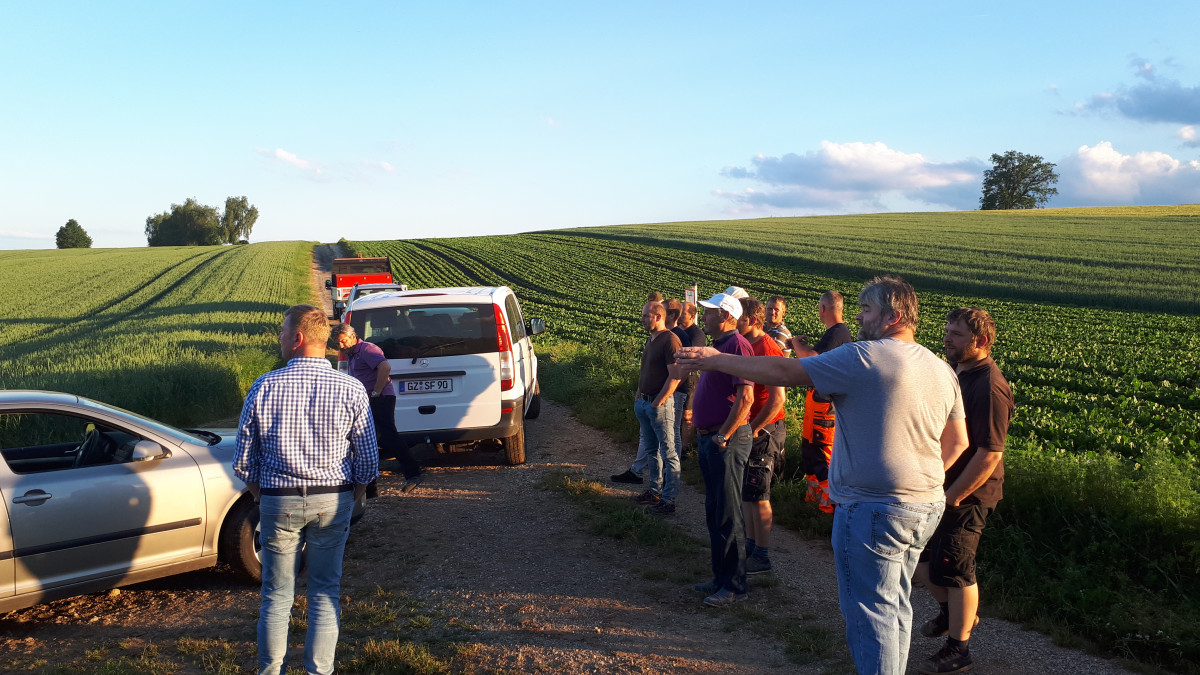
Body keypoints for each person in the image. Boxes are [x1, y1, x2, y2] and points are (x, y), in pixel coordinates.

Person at [676, 276, 969, 674]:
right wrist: (922, 476)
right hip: (925, 503)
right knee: (895, 605)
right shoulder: (939, 368)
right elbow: (959, 441)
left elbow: (785, 371)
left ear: (893, 316)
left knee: (871, 615)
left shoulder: (865, 356)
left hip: (873, 505)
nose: (859, 318)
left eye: (867, 310)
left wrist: (714, 359)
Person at [233, 304, 380, 675]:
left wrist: (261, 496)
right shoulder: (351, 388)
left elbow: (244, 462)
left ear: (297, 339)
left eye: (282, 334)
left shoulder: (264, 386)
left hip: (277, 501)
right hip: (332, 500)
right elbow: (367, 462)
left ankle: (270, 671)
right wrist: (354, 496)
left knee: (276, 596)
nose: (280, 340)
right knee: (324, 593)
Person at [913, 307, 1014, 675]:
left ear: (981, 342)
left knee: (957, 569)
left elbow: (990, 454)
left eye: (956, 335)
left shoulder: (989, 386)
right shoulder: (958, 372)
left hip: (969, 494)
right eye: (947, 331)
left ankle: (959, 650)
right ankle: (952, 613)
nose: (946, 339)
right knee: (921, 559)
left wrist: (954, 495)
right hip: (943, 486)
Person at [684, 291, 754, 607]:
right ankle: (720, 577)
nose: (705, 317)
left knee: (728, 512)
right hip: (712, 438)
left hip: (727, 440)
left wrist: (722, 436)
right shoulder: (718, 347)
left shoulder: (737, 346)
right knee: (714, 511)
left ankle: (735, 587)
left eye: (710, 312)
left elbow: (746, 398)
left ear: (725, 316)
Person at [332, 323, 423, 492]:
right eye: (337, 344)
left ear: (353, 337)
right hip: (368, 400)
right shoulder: (353, 354)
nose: (341, 346)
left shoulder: (367, 349)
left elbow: (385, 367)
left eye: (343, 342)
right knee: (368, 439)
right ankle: (370, 486)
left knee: (388, 436)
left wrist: (376, 393)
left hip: (380, 398)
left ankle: (413, 474)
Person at [734, 297, 787, 576]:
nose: (733, 322)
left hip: (765, 431)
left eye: (738, 318)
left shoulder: (767, 348)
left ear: (752, 321)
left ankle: (763, 556)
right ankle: (752, 548)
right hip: (750, 428)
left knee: (759, 492)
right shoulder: (746, 345)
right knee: (748, 492)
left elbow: (778, 399)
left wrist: (754, 428)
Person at [789, 291, 854, 513]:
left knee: (821, 455)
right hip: (816, 403)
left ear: (823, 309)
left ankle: (830, 507)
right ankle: (814, 500)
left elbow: (812, 360)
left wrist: (797, 345)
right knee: (810, 451)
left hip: (824, 407)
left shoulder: (837, 333)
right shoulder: (833, 334)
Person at [627, 301, 682, 513]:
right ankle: (654, 491)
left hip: (659, 405)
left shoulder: (670, 340)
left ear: (658, 316)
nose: (641, 319)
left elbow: (675, 376)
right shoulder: (652, 339)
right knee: (652, 450)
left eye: (645, 316)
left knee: (669, 452)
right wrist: (639, 395)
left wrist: (658, 401)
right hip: (644, 402)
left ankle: (669, 500)